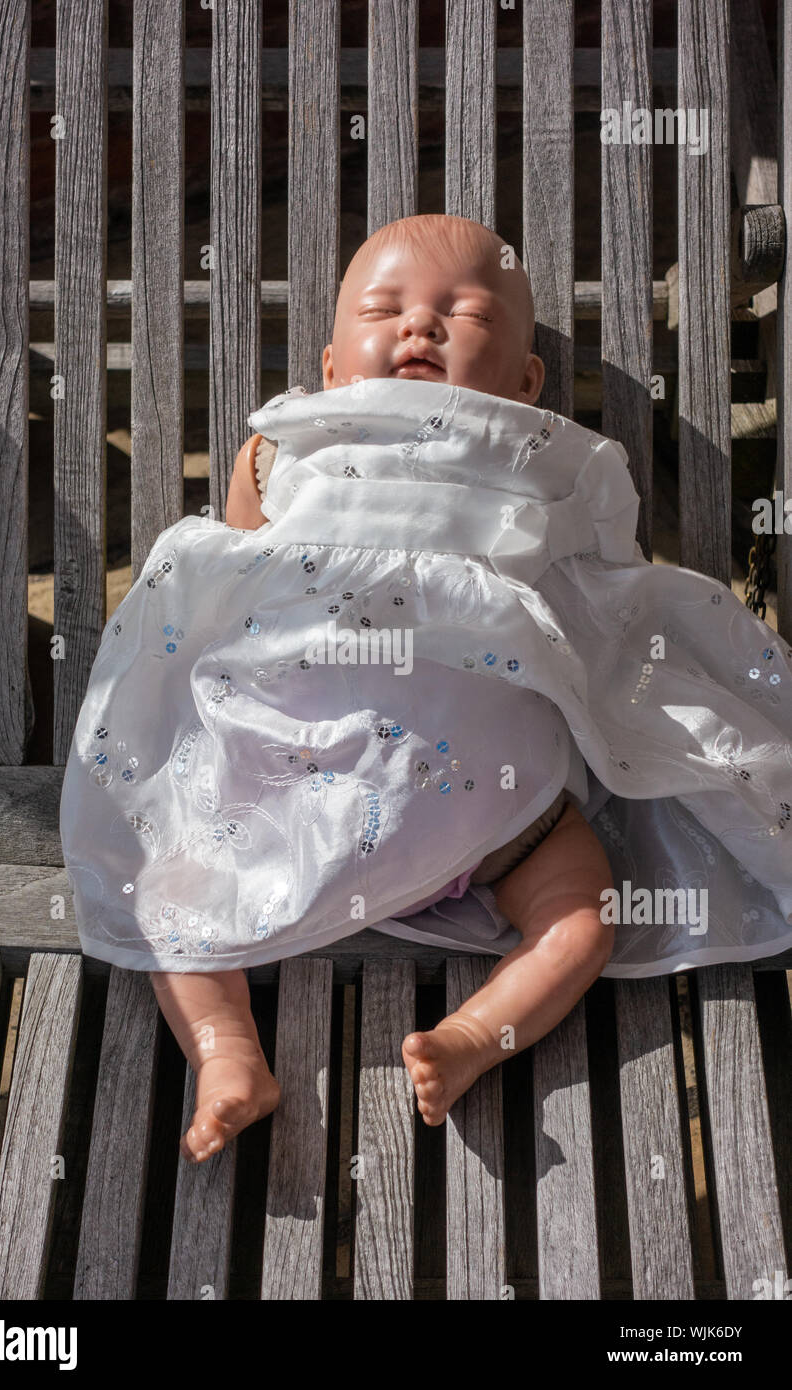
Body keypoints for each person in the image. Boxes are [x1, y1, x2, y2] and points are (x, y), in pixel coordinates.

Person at [60, 214, 792, 1164]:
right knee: (166, 883)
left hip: (500, 813)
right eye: (385, 310)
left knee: (584, 916)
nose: (420, 328)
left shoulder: (541, 462)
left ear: (528, 385)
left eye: (465, 313)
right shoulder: (286, 450)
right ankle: (225, 1049)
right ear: (330, 368)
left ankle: (474, 1036)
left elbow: (602, 593)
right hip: (294, 781)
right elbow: (231, 574)